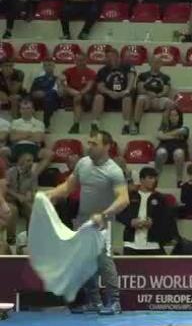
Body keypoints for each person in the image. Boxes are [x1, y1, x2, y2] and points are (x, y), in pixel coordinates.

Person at [43, 128, 129, 314]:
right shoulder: (83, 163)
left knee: (104, 261)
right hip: (83, 220)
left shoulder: (114, 171)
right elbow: (68, 186)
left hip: (103, 222)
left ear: (107, 146)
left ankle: (115, 302)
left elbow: (124, 199)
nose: (89, 146)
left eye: (94, 144)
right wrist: (51, 194)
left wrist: (104, 214)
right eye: (88, 143)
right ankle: (95, 302)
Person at [118, 166, 176, 255]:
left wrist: (153, 223)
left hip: (153, 244)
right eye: (150, 178)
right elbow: (119, 214)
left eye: (154, 178)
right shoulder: (130, 196)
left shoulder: (160, 198)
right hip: (131, 244)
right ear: (142, 179)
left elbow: (167, 219)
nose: (153, 181)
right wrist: (130, 222)